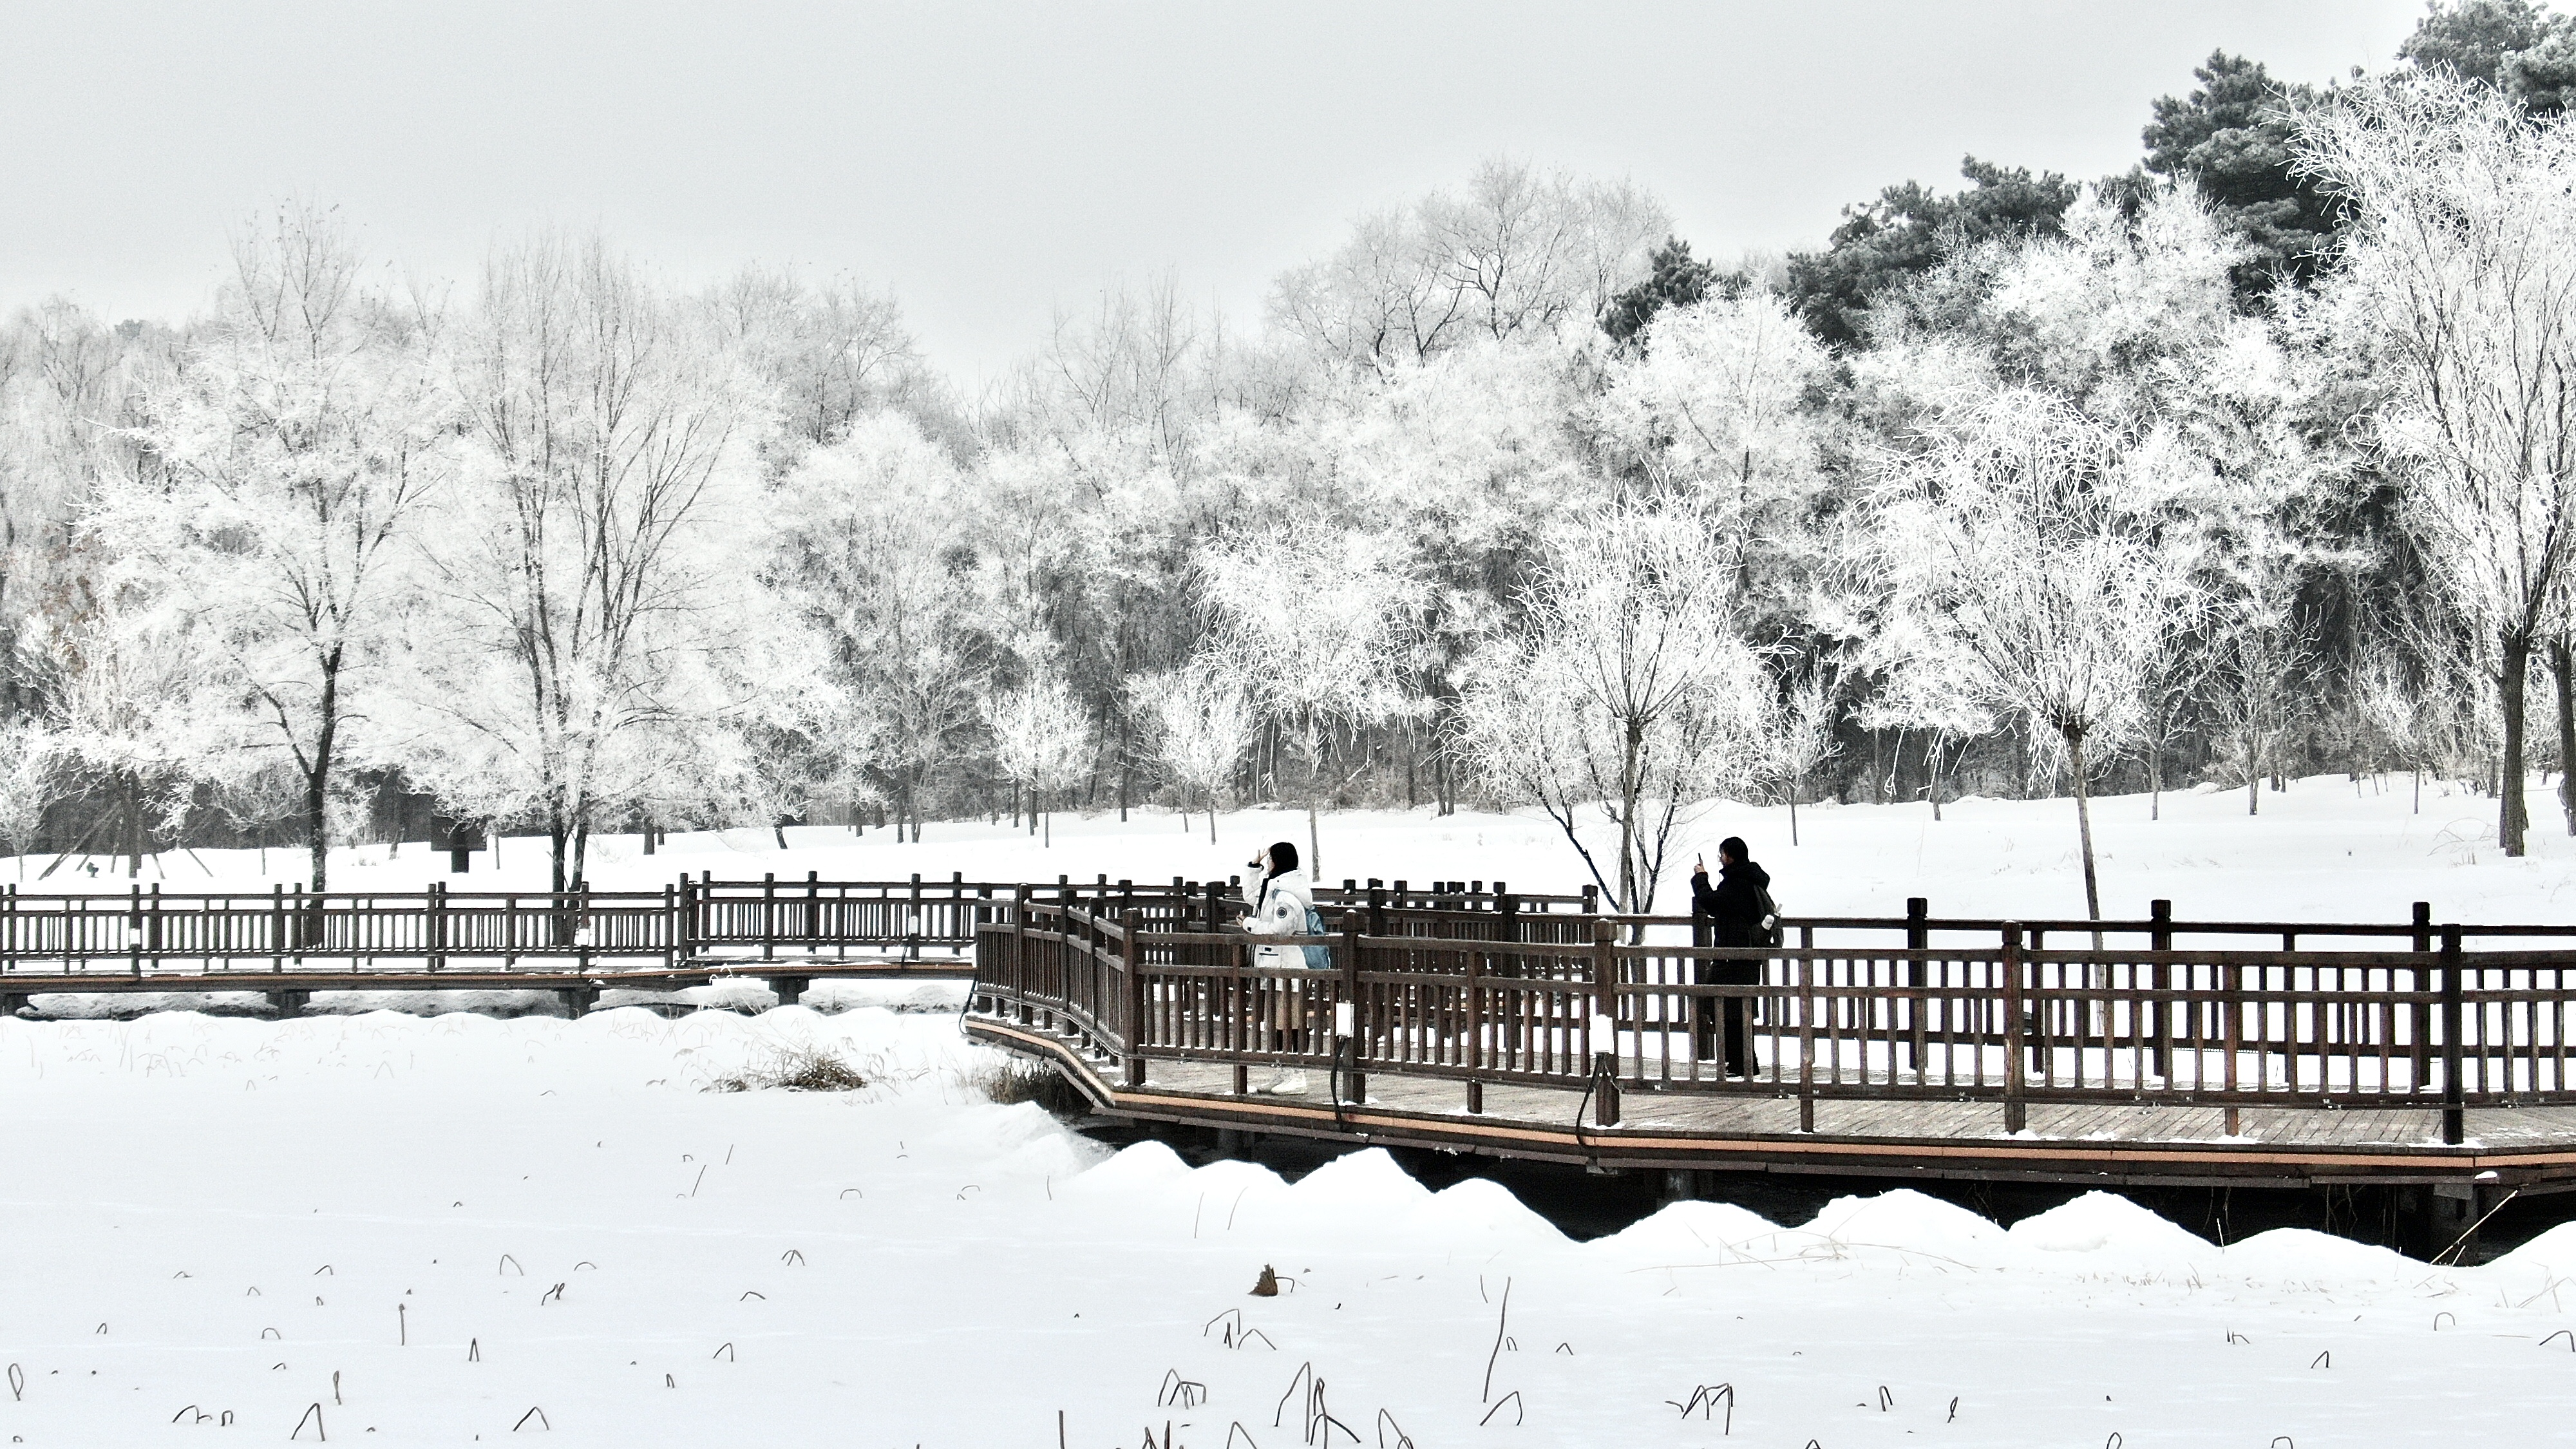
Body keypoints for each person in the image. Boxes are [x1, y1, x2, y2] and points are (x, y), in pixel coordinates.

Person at [1237, 840, 1318, 1095]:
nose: (1268, 863)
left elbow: (1279, 931)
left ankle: (1297, 1075)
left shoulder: (1287, 896)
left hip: (1289, 968)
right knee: (1277, 1023)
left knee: (1290, 1022)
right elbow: (1253, 898)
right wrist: (1253, 867)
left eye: (1271, 859)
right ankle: (1283, 1071)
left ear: (1279, 862)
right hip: (1275, 967)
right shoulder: (1274, 888)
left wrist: (1250, 925)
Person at [1689, 837, 1774, 1078]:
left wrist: (1701, 877)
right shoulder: (1747, 879)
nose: (1721, 859)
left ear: (1730, 856)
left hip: (1733, 957)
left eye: (1722, 855)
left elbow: (1711, 903)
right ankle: (1741, 1062)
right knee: (1735, 1010)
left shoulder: (1737, 883)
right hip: (1743, 957)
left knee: (1729, 1009)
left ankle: (1743, 1063)